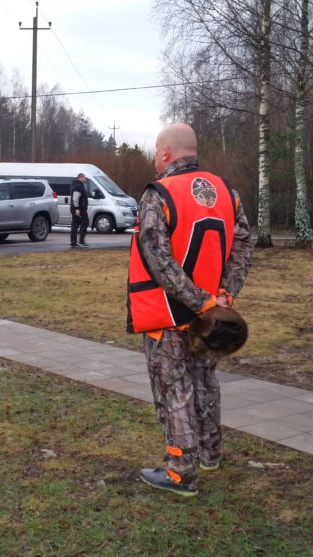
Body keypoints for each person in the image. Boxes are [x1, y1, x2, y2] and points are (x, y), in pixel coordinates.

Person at [128, 124, 253, 497]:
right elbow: (244, 245)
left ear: (166, 153)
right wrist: (223, 297)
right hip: (209, 319)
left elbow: (157, 257)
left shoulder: (159, 193)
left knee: (174, 390)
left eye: (155, 150)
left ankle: (180, 470)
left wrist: (197, 301)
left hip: (167, 315)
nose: (154, 157)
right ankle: (210, 452)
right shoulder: (226, 193)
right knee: (205, 382)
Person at [71, 172, 90, 247]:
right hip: (80, 209)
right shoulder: (78, 186)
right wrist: (77, 208)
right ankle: (81, 241)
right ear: (80, 177)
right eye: (84, 178)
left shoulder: (77, 185)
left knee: (75, 224)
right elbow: (75, 198)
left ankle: (73, 242)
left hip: (78, 208)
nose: (85, 179)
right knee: (85, 223)